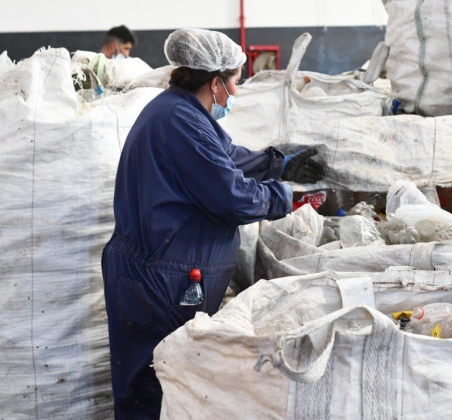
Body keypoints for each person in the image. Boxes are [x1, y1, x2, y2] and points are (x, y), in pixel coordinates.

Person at [101, 28, 323, 418]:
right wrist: (285, 197)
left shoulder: (180, 111)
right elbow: (231, 197)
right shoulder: (180, 122)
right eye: (235, 82)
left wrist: (278, 161)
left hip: (153, 269)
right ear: (216, 82)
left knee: (153, 381)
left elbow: (226, 155)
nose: (235, 93)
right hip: (161, 279)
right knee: (158, 386)